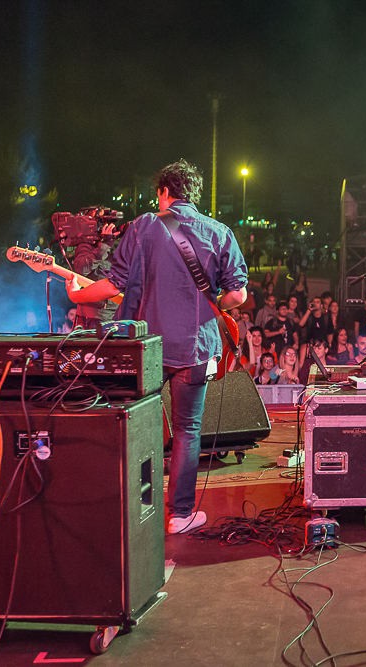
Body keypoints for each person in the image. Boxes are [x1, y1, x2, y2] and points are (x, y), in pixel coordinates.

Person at [66, 159, 247, 535]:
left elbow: (114, 284)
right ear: (193, 194)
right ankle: (179, 515)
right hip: (196, 348)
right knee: (187, 430)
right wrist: (213, 304)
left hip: (148, 347)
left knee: (137, 426)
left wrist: (77, 292)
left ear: (164, 192)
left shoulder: (146, 226)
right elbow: (237, 294)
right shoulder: (219, 232)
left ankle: (131, 509)